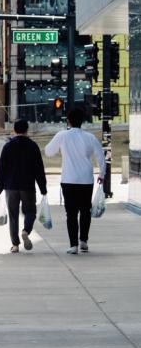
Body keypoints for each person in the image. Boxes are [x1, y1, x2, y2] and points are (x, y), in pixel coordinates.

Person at [45, 106, 105, 254]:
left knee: (70, 213)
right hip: (86, 180)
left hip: (69, 180)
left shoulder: (62, 135)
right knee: (85, 211)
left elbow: (48, 152)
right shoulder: (90, 137)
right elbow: (100, 157)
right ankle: (83, 240)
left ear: (68, 121)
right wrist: (102, 174)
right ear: (82, 121)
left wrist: (61, 148)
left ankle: (73, 245)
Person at [0, 118, 47, 253]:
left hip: (10, 186)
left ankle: (15, 244)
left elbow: (2, 169)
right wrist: (43, 188)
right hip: (27, 186)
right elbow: (39, 169)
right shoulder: (33, 146)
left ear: (14, 130)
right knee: (30, 212)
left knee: (13, 215)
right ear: (27, 130)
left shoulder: (7, 147)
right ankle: (26, 230)